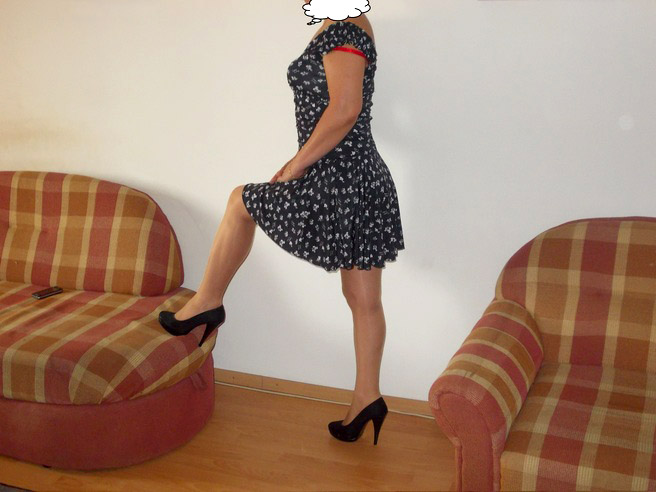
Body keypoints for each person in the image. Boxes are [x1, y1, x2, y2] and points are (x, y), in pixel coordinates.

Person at [159, 6, 405, 446]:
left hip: (341, 177)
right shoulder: (343, 23)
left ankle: (207, 302)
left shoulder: (345, 26)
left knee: (241, 201)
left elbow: (345, 109)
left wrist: (295, 165)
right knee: (363, 299)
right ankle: (367, 398)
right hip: (357, 177)